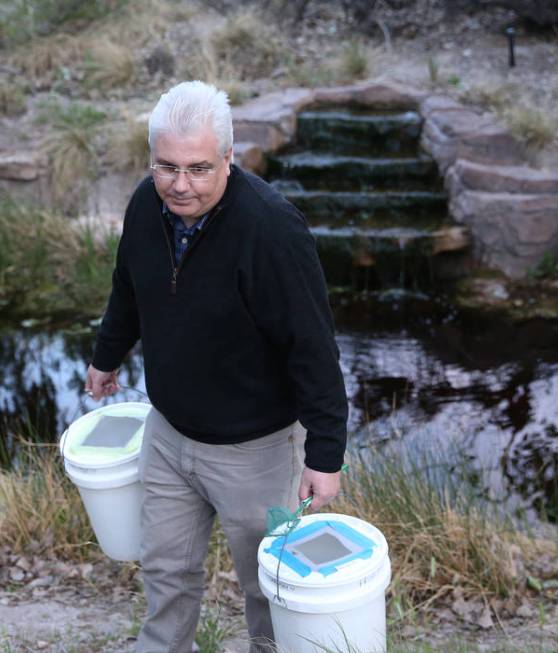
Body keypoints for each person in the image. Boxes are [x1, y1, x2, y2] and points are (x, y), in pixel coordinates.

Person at [85, 81, 348, 653]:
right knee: (165, 573)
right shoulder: (144, 203)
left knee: (268, 588)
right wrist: (107, 355)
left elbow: (313, 347)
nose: (180, 185)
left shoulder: (272, 229)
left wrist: (326, 453)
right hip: (168, 434)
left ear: (229, 157)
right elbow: (129, 289)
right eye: (167, 166)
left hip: (256, 450)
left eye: (199, 168)